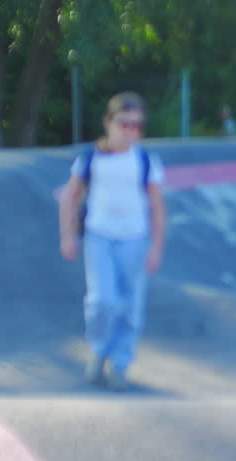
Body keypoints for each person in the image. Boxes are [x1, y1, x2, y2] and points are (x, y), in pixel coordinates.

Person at [58, 92, 167, 391]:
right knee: (102, 301)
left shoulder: (145, 160)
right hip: (99, 238)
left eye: (136, 126)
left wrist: (156, 247)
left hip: (135, 240)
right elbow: (69, 196)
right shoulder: (90, 158)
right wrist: (67, 236)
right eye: (124, 123)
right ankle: (98, 350)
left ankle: (119, 365)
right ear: (108, 122)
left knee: (131, 307)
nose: (130, 130)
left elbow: (157, 207)